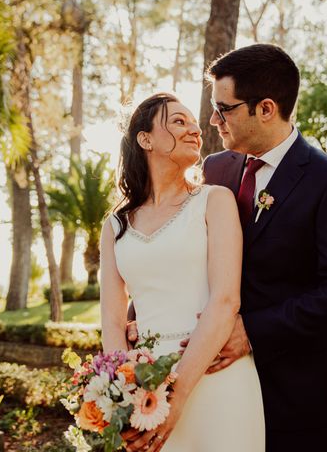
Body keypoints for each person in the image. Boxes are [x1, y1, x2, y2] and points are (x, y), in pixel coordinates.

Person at [196, 43, 327, 451]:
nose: (214, 120)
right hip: (219, 392)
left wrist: (252, 333)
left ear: (266, 108)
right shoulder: (215, 169)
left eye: (225, 109)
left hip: (300, 397)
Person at [99, 93, 266, 452]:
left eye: (193, 122)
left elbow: (225, 301)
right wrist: (123, 391)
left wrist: (176, 396)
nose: (194, 129)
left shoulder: (214, 200)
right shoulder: (115, 225)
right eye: (178, 121)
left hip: (218, 378)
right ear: (145, 139)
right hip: (146, 390)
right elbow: (113, 322)